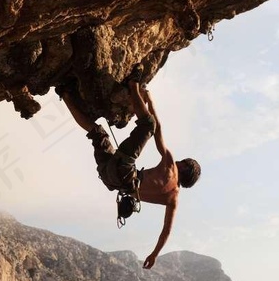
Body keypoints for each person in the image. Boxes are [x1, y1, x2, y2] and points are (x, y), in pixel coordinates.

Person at [57, 76, 201, 269]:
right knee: (97, 133)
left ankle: (133, 85)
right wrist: (154, 254)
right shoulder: (173, 200)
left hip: (124, 171)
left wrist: (149, 100)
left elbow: (157, 129)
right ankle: (64, 93)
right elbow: (166, 231)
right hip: (111, 180)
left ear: (184, 167)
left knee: (147, 125)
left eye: (181, 161)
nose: (178, 161)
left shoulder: (171, 167)